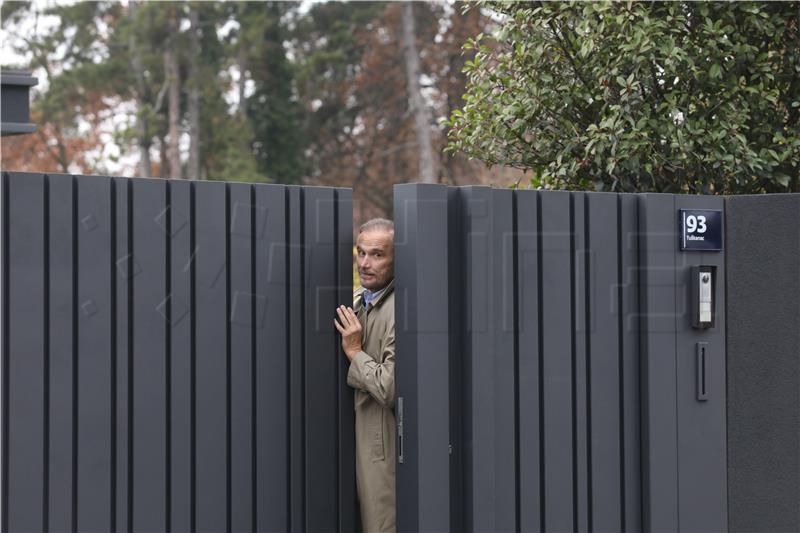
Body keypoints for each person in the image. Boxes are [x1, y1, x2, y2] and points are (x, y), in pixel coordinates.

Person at [334, 218, 396, 533]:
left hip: (378, 452)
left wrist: (355, 352)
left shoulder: (400, 309)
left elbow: (389, 386)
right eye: (361, 253)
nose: (365, 263)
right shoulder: (357, 304)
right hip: (347, 449)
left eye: (377, 254)